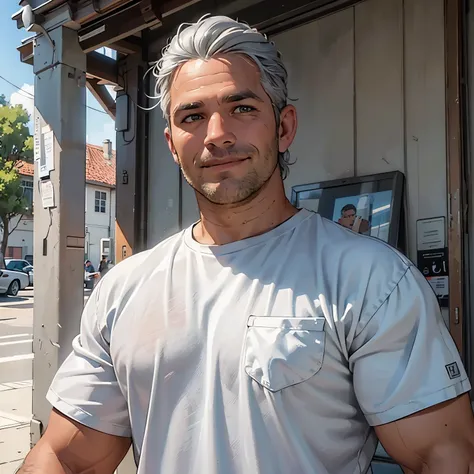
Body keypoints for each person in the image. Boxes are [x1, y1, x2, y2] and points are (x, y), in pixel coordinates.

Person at [18, 15, 474, 474]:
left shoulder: (370, 280)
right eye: (192, 116)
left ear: (284, 126)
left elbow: (443, 456)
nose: (217, 133)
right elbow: (67, 457)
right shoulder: (123, 291)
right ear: (173, 145)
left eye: (242, 108)